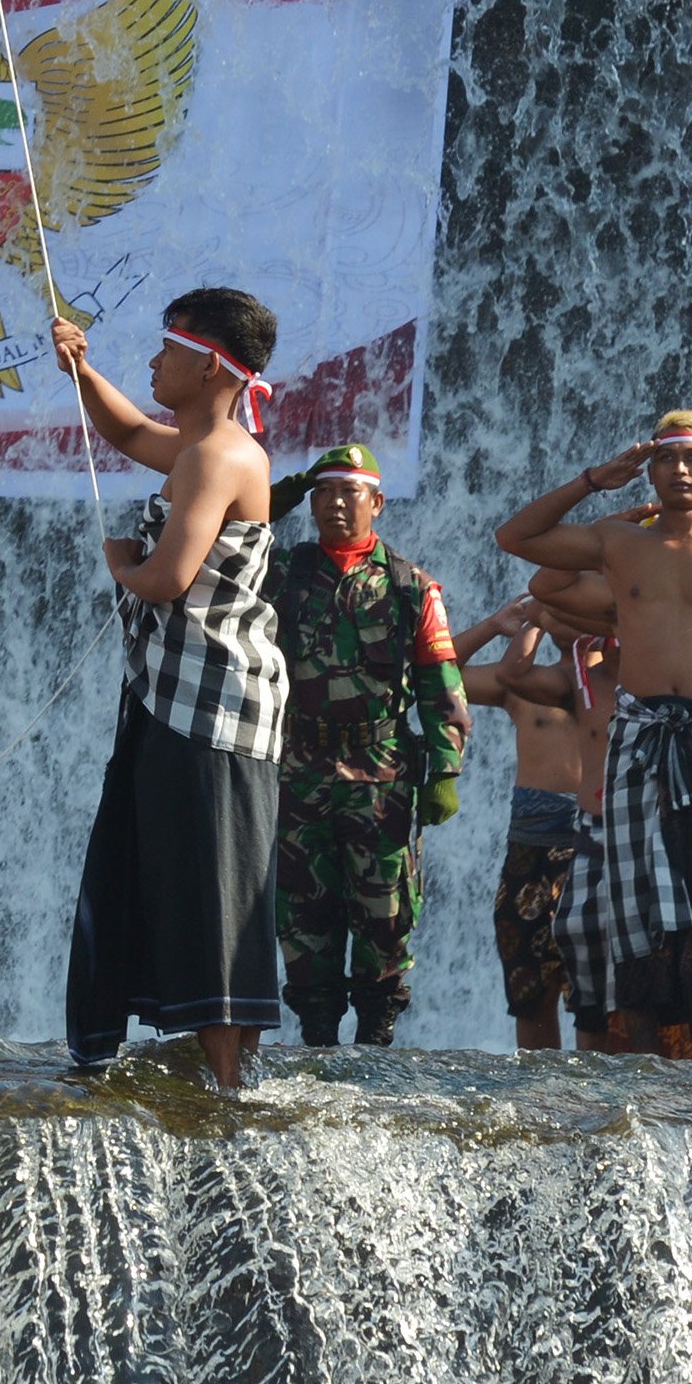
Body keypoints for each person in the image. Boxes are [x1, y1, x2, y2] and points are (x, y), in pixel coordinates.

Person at [47, 292, 290, 1090]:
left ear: (210, 364)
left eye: (164, 348)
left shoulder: (218, 457)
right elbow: (120, 431)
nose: (153, 362)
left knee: (213, 886)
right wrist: (82, 369)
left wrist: (119, 562)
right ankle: (222, 1074)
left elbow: (167, 578)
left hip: (211, 708)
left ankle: (231, 1085)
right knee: (174, 875)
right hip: (179, 699)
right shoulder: (203, 447)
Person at [494, 413, 692, 1059]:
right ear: (649, 469)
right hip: (637, 735)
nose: (680, 470)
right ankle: (646, 1061)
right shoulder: (618, 544)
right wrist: (592, 480)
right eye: (666, 458)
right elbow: (515, 535)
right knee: (634, 904)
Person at [269, 442, 469, 1046]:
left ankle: (376, 1039)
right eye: (323, 492)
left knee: (384, 914)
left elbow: (440, 678)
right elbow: (230, 530)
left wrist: (445, 769)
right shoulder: (284, 573)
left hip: (380, 768)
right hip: (300, 766)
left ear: (376, 503)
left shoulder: (410, 584)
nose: (334, 504)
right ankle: (317, 1038)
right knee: (304, 913)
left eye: (348, 492)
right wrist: (284, 489)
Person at [455, 599, 596, 1051]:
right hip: (529, 848)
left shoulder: (631, 679)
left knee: (598, 999)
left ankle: (601, 1102)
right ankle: (538, 1100)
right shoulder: (521, 684)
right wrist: (499, 624)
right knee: (529, 990)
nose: (565, 613)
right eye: (555, 607)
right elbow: (439, 674)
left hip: (600, 846)